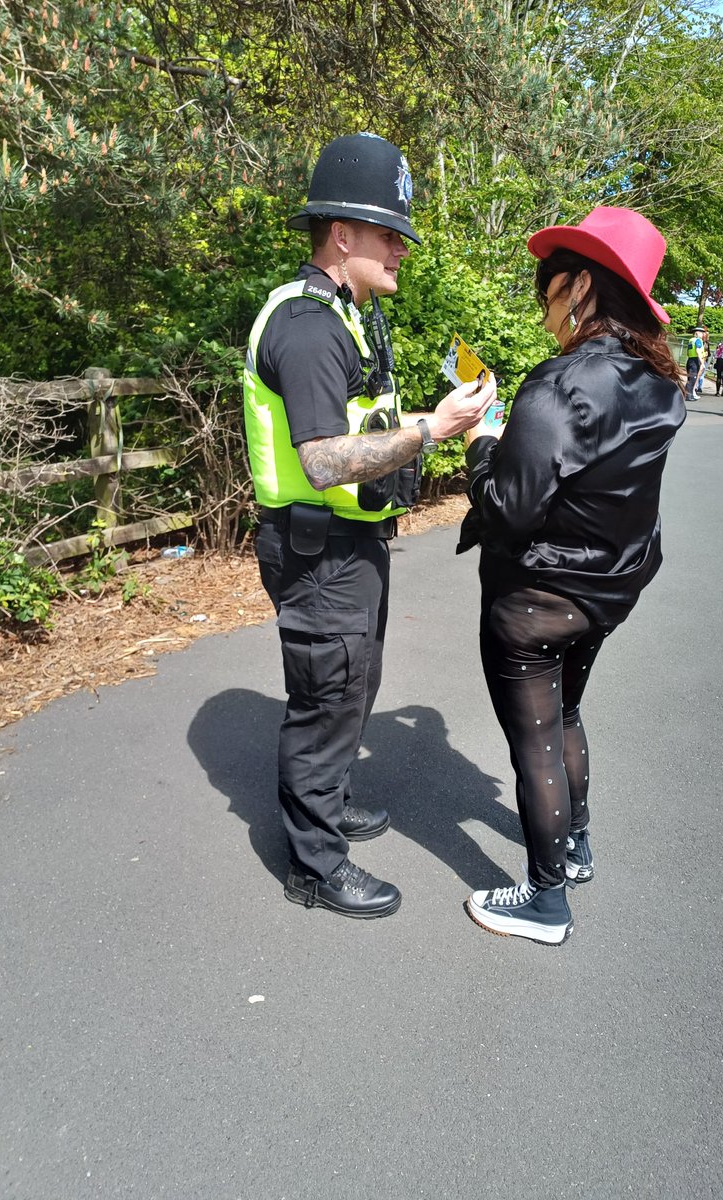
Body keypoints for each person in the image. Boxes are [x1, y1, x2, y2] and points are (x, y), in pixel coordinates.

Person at [243, 133, 497, 920]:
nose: (402, 250)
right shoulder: (310, 327)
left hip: (346, 546)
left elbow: (357, 424)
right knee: (326, 702)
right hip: (317, 550)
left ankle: (330, 799)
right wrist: (434, 430)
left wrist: (431, 413)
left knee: (353, 686)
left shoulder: (343, 316)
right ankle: (315, 864)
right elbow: (322, 462)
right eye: (389, 234)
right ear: (341, 235)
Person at [456, 206, 686, 945]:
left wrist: (483, 442)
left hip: (535, 599)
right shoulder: (659, 383)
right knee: (568, 716)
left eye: (547, 290)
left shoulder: (558, 385)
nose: (544, 308)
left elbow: (509, 510)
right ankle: (576, 847)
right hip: (609, 591)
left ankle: (546, 900)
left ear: (581, 285)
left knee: (536, 740)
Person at [685, 325, 707, 400]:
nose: (702, 334)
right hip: (695, 360)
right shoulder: (698, 340)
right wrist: (702, 363)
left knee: (690, 378)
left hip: (690, 359)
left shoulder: (691, 340)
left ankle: (689, 394)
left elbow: (688, 352)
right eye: (701, 333)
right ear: (697, 333)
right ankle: (688, 395)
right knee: (693, 378)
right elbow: (698, 351)